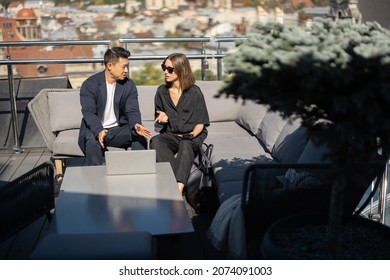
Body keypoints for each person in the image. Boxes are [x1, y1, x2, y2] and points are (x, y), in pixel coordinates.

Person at [78, 47, 152, 165]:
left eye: (127, 66)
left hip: (118, 130)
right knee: (92, 143)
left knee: (138, 136)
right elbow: (89, 112)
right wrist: (99, 131)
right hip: (95, 129)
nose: (126, 70)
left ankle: (140, 172)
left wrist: (137, 125)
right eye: (123, 67)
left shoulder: (128, 85)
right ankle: (95, 180)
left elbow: (132, 110)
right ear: (110, 66)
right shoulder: (90, 84)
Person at [150, 53, 210, 193]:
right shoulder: (161, 92)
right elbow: (159, 123)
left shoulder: (194, 92)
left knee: (186, 143)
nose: (165, 71)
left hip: (193, 134)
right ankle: (184, 183)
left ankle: (176, 189)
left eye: (170, 69)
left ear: (181, 69)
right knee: (156, 141)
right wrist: (164, 119)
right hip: (172, 134)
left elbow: (201, 121)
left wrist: (192, 134)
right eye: (164, 67)